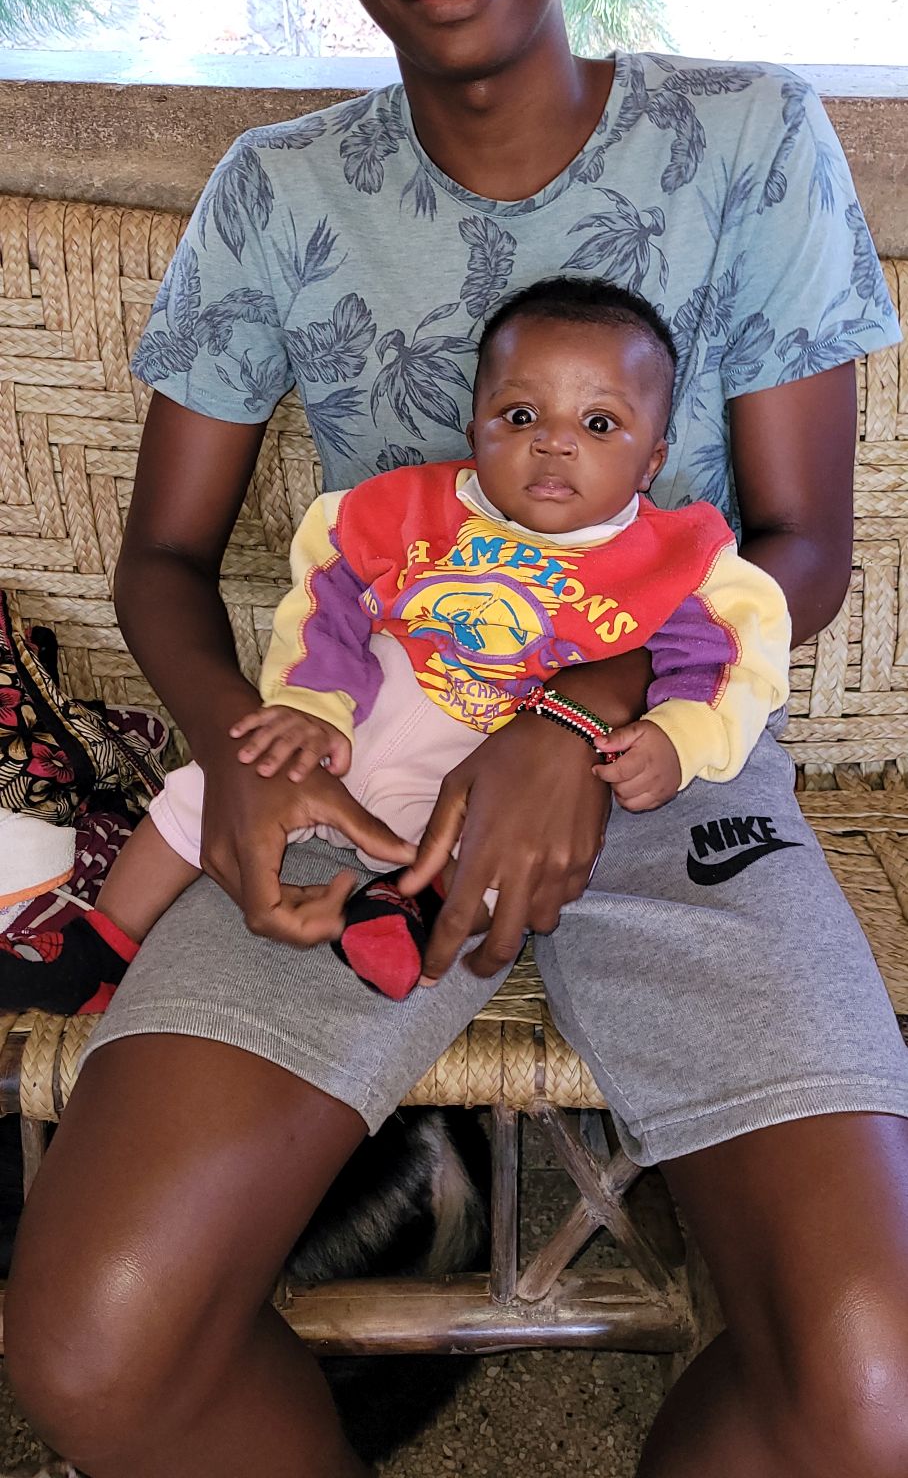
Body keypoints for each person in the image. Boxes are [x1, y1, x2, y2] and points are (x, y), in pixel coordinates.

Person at [6, 0, 908, 1478]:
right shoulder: (276, 193)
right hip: (371, 772)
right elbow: (165, 559)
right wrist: (250, 755)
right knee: (93, 1342)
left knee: (873, 1386)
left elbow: (800, 547)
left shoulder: (747, 142)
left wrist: (577, 723)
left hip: (666, 766)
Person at [0, 277, 790, 1009]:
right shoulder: (407, 509)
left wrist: (680, 736)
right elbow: (329, 591)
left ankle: (401, 913)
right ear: (475, 429)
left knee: (488, 860)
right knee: (206, 787)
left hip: (477, 762)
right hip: (358, 714)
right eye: (521, 416)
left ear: (652, 459)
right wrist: (311, 702)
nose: (554, 442)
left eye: (599, 424)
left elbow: (730, 657)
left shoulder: (673, 558)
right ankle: (102, 949)